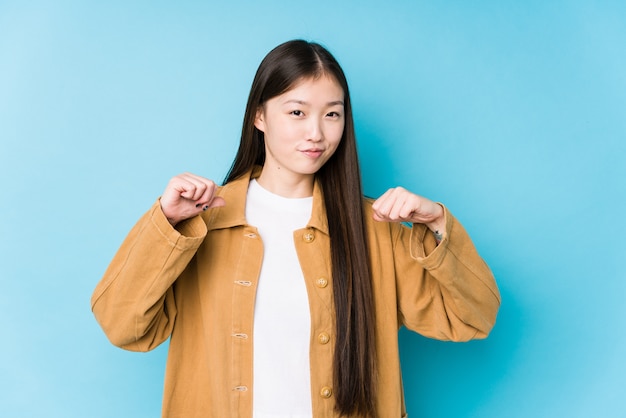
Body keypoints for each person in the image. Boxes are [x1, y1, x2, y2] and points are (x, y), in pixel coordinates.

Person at [91, 39, 500, 418]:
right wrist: (165, 223)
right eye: (297, 112)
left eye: (332, 114)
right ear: (259, 116)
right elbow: (122, 326)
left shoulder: (376, 228)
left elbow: (472, 318)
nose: (316, 133)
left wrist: (437, 224)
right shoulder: (200, 223)